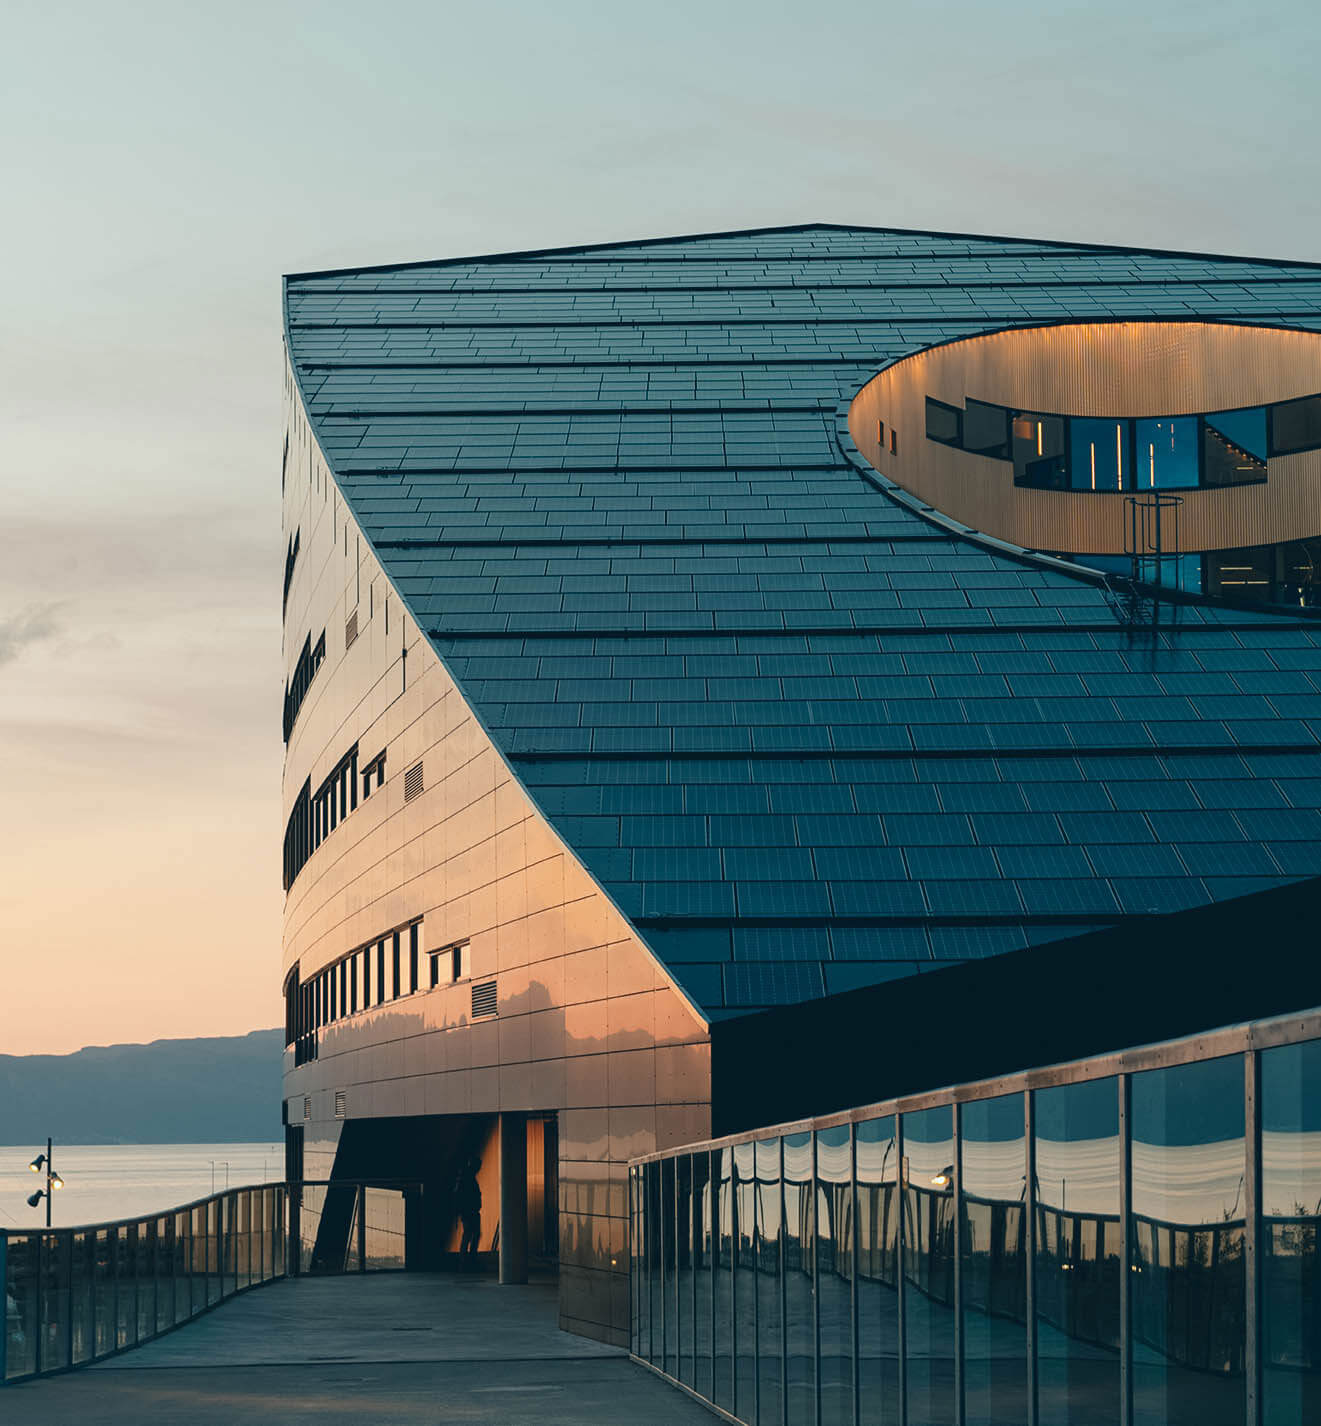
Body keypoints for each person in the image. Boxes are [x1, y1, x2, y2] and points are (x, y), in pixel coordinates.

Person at [454, 1156, 482, 1263]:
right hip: (469, 1211)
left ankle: (466, 1259)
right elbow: (460, 1196)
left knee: (470, 1234)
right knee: (470, 1234)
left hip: (470, 1211)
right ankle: (467, 1260)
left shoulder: (466, 1177)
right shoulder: (467, 1178)